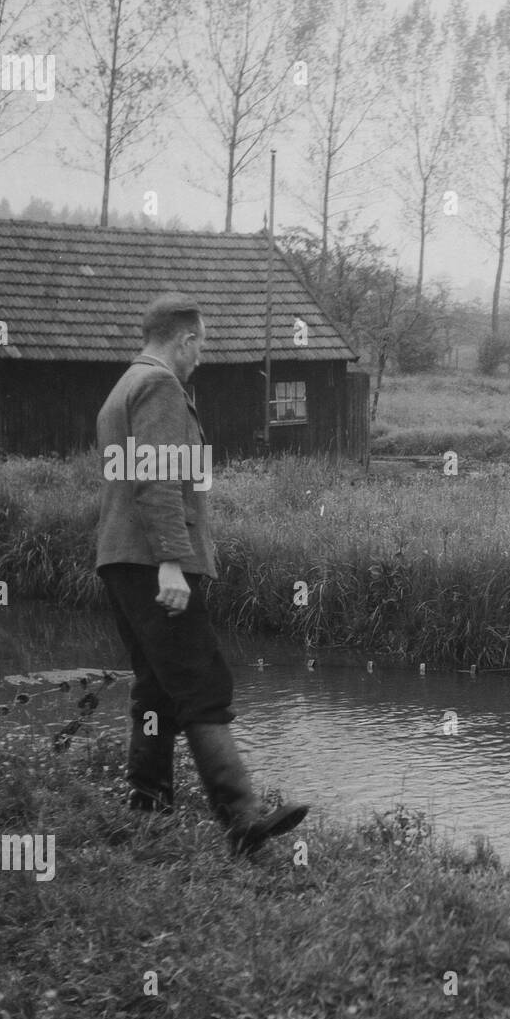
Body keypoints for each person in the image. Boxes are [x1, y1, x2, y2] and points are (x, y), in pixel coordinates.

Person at [95, 293, 308, 855]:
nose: (202, 358)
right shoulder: (162, 387)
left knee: (158, 685)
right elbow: (158, 479)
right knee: (203, 681)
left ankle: (147, 806)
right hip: (153, 561)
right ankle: (242, 817)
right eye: (202, 345)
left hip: (120, 558)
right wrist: (171, 559)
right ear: (186, 339)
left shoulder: (122, 388)